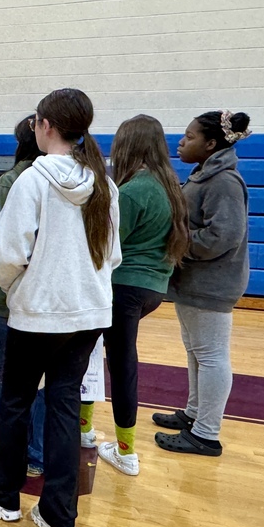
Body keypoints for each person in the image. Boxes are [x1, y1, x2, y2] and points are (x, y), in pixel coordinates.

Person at [0, 88, 120, 527]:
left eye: (37, 121)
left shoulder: (32, 182)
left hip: (38, 315)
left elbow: (9, 255)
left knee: (15, 401)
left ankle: (4, 495)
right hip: (89, 314)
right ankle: (60, 517)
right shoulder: (105, 184)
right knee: (63, 404)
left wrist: (19, 290)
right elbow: (112, 256)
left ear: (47, 126)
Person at [76, 115, 189, 476]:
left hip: (123, 288)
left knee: (110, 361)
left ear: (128, 146)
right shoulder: (169, 184)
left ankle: (123, 450)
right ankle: (90, 433)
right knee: (106, 355)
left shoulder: (134, 190)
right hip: (153, 288)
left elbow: (106, 244)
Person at [153, 110, 251, 457]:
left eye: (190, 136)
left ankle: (206, 434)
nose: (181, 141)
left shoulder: (223, 181)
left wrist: (177, 241)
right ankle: (194, 415)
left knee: (211, 355)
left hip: (212, 283)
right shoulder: (204, 175)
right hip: (194, 280)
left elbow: (222, 236)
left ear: (211, 144)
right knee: (196, 351)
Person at [0, 115, 46, 477]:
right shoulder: (83, 178)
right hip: (56, 300)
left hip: (14, 297)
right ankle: (36, 454)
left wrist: (0, 286)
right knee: (43, 379)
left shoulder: (13, 179)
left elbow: (3, 244)